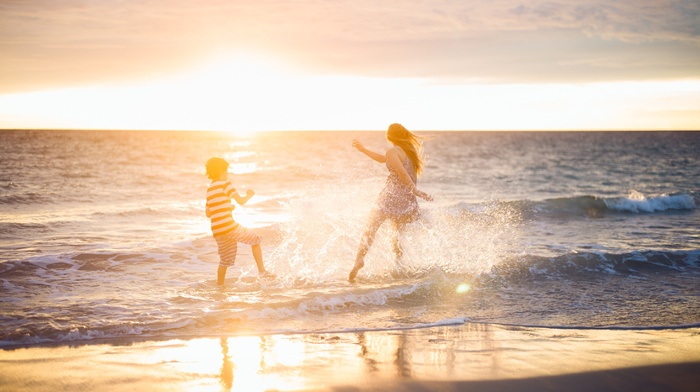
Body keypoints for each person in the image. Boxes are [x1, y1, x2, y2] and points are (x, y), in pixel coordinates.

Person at [349, 123, 432, 283]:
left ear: (389, 136)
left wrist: (415, 190)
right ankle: (398, 267)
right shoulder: (409, 152)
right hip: (406, 200)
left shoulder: (393, 151)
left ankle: (359, 260)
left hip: (391, 196)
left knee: (370, 229)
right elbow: (383, 159)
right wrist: (363, 150)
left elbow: (401, 172)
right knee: (396, 235)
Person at [205, 157, 274, 285]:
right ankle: (262, 271)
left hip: (217, 230)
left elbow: (208, 213)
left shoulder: (209, 189)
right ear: (221, 170)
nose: (227, 174)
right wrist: (249, 195)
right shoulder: (226, 184)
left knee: (224, 261)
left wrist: (228, 207)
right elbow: (241, 201)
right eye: (226, 171)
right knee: (255, 240)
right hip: (229, 226)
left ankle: (220, 287)